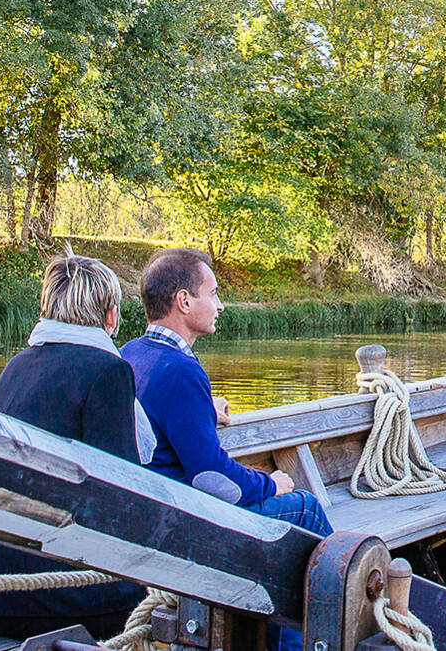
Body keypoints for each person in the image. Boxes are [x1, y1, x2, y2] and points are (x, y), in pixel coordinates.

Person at [120, 247, 332, 651]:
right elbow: (212, 479)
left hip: (150, 512)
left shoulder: (133, 354)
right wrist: (271, 484)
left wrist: (204, 410)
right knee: (305, 510)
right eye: (212, 293)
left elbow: (158, 422)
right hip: (184, 523)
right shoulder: (182, 372)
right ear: (184, 301)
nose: (220, 304)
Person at [0, 255, 148, 639]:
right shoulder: (107, 370)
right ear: (111, 316)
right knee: (182, 594)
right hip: (50, 593)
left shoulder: (17, 365)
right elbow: (122, 491)